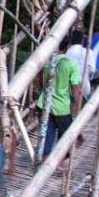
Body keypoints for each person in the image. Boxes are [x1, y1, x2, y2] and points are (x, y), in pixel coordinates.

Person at [36, 35, 82, 166]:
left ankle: (44, 156)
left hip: (44, 103)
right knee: (65, 134)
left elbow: (38, 79)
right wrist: (78, 105)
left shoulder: (47, 62)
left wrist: (42, 91)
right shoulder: (70, 65)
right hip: (61, 106)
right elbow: (74, 88)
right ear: (67, 48)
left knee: (47, 132)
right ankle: (62, 159)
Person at [64, 29, 93, 101]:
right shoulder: (88, 52)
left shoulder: (67, 53)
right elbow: (92, 70)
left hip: (71, 89)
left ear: (71, 40)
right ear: (82, 40)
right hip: (85, 87)